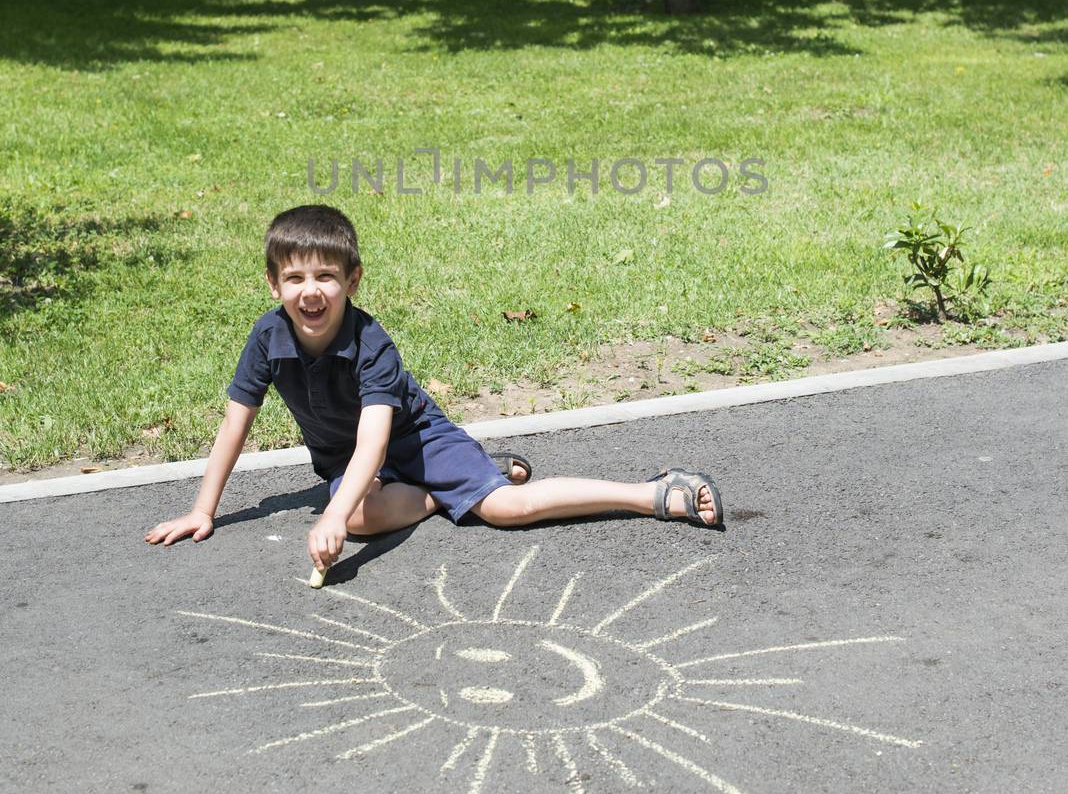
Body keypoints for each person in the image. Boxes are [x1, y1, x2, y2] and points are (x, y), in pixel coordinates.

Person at [145, 205, 725, 574]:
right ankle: (438, 496)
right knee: (355, 514)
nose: (310, 291)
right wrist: (204, 509)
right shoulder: (267, 337)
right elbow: (236, 421)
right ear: (273, 283)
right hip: (352, 465)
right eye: (294, 278)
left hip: (417, 443)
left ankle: (651, 492)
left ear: (352, 280)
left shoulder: (371, 342)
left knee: (506, 510)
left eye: (325, 276)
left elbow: (375, 441)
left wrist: (332, 518)